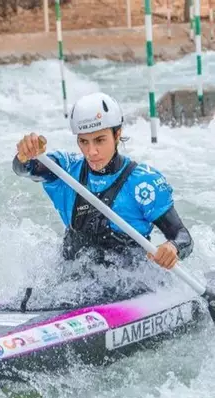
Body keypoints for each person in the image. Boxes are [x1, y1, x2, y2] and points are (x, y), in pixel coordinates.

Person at [12, 92, 193, 273]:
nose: (91, 152)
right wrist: (24, 156)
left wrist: (172, 248)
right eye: (84, 141)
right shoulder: (65, 170)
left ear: (117, 134)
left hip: (129, 282)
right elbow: (25, 169)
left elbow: (182, 236)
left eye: (100, 140)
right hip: (71, 280)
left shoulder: (143, 183)